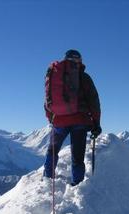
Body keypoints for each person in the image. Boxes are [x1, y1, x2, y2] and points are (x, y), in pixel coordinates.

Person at [43, 49, 102, 186]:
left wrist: (52, 118)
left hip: (59, 120)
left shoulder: (54, 75)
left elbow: (47, 101)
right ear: (79, 61)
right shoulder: (85, 78)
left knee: (53, 150)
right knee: (77, 155)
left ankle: (47, 178)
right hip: (79, 121)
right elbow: (94, 103)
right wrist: (96, 124)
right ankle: (78, 183)